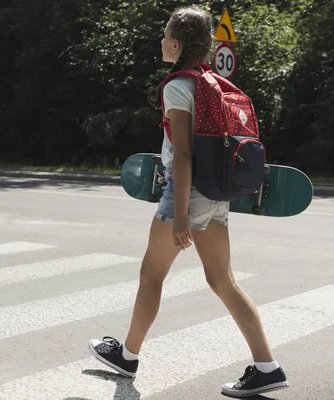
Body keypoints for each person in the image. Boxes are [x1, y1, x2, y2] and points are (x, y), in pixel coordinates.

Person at [88, 5, 289, 398]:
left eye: (165, 36)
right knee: (222, 279)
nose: (162, 42)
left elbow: (182, 155)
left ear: (177, 44)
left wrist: (180, 215)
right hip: (217, 193)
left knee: (152, 275)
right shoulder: (212, 81)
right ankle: (267, 366)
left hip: (188, 192)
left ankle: (127, 356)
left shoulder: (178, 86)